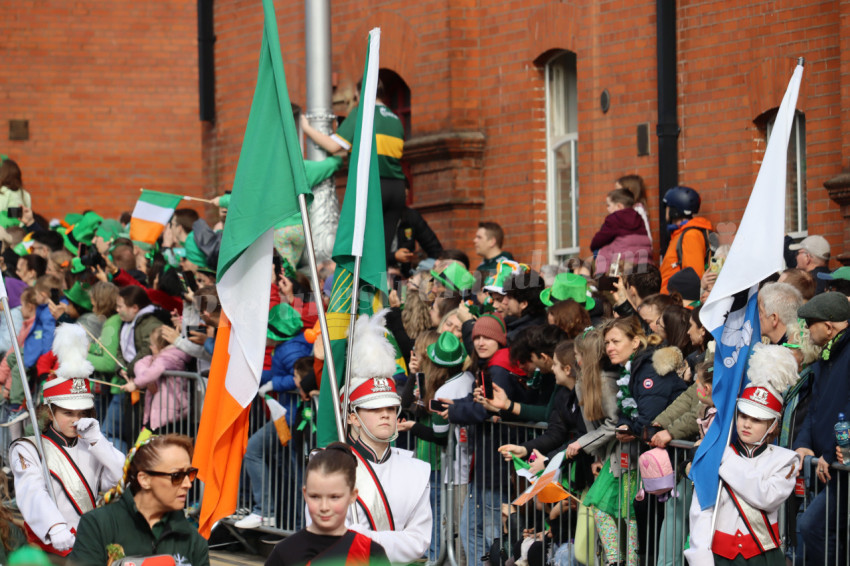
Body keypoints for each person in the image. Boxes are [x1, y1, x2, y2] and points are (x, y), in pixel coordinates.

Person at [10, 324, 125, 557]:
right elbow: (31, 491)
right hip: (51, 543)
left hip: (89, 543)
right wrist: (54, 526)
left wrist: (98, 441)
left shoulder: (92, 445)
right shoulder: (28, 448)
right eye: (69, 413)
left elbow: (118, 478)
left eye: (83, 413)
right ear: (50, 412)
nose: (76, 420)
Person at [686, 345, 799, 566]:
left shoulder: (785, 461)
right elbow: (702, 510)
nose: (746, 424)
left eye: (757, 419)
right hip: (719, 558)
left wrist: (723, 457)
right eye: (743, 416)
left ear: (773, 425)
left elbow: (765, 496)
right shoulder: (717, 454)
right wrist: (701, 559)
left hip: (763, 558)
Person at [334, 311, 432, 564]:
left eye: (390, 408)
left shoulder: (415, 470)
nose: (386, 415)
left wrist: (362, 540)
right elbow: (328, 538)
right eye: (375, 409)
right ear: (352, 417)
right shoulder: (330, 467)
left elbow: (419, 542)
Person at [68, 433, 209, 566]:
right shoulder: (97, 524)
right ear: (144, 480)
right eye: (177, 476)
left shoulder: (193, 540)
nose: (187, 484)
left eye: (189, 474)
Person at [300, 81, 405, 256]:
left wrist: (306, 128)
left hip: (373, 187)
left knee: (362, 248)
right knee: (382, 252)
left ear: (358, 94)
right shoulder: (395, 119)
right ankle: (380, 282)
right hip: (397, 188)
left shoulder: (361, 113)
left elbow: (332, 146)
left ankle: (362, 284)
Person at [792, 292, 850, 565]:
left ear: (829, 327)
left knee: (814, 526)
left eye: (810, 322)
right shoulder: (824, 359)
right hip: (828, 466)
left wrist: (829, 452)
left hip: (840, 466)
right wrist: (804, 443)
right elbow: (815, 411)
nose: (806, 328)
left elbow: (847, 412)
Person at [265, 443, 389, 566]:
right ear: (305, 493)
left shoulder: (370, 552)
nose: (324, 507)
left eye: (334, 497)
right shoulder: (284, 552)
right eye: (315, 496)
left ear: (352, 495)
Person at [659, 186, 712, 293]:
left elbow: (693, 277)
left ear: (675, 211)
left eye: (668, 207)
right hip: (671, 300)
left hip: (680, 303)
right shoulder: (681, 234)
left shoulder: (690, 235)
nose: (666, 211)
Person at [590, 188, 652, 274]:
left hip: (622, 267)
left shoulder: (614, 218)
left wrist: (594, 246)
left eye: (608, 205)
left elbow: (598, 241)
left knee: (601, 250)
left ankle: (600, 279)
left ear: (619, 206)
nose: (607, 209)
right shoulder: (639, 218)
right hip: (643, 265)